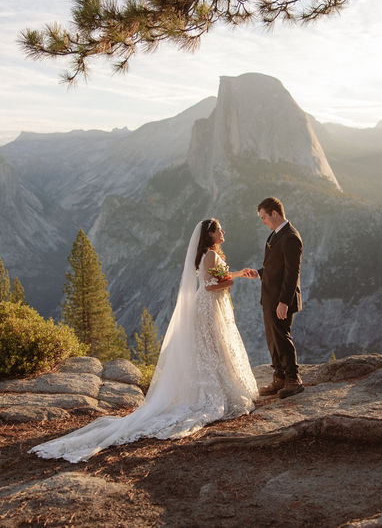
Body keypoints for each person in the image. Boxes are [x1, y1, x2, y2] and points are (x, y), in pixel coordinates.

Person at [31, 219, 258, 463]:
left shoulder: (208, 254)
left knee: (211, 348)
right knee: (213, 348)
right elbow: (211, 285)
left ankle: (216, 388)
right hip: (209, 307)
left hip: (207, 306)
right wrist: (232, 282)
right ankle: (217, 391)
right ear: (210, 234)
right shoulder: (211, 255)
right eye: (219, 229)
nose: (223, 232)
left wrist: (238, 274)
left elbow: (217, 277)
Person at [240, 197, 304, 399]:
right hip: (269, 297)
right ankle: (279, 377)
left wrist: (284, 301)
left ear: (274, 213)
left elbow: (292, 272)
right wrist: (258, 273)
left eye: (263, 217)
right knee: (272, 338)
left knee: (282, 337)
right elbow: (274, 267)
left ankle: (293, 379)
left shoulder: (291, 237)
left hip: (281, 299)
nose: (263, 222)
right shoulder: (275, 236)